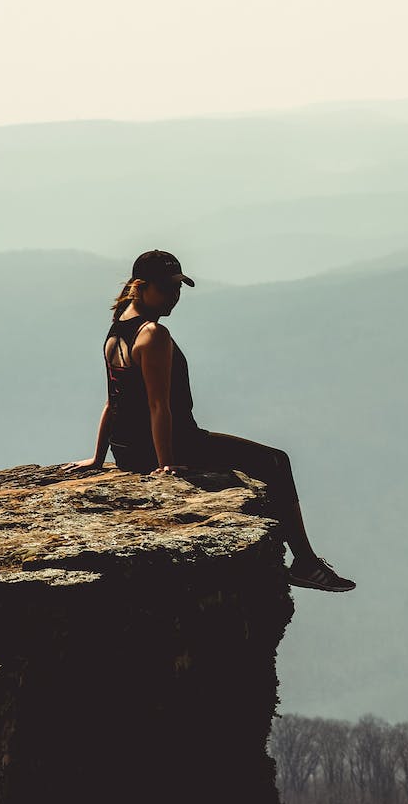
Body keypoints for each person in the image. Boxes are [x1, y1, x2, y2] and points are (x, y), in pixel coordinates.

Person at [73, 249, 355, 593]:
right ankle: (306, 563)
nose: (174, 297)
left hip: (128, 453)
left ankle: (306, 563)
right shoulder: (152, 335)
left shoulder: (117, 331)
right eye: (166, 289)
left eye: (177, 288)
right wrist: (166, 465)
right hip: (175, 445)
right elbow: (159, 406)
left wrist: (100, 458)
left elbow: (112, 403)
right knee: (276, 462)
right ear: (141, 287)